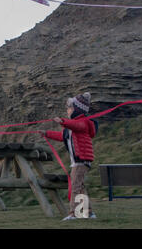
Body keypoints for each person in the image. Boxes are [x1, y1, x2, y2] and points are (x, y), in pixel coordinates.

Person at [39, 92, 98, 221]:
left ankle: (74, 213)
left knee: (76, 187)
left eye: (69, 107)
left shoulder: (83, 123)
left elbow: (76, 125)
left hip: (81, 161)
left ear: (77, 110)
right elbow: (61, 136)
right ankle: (89, 212)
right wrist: (46, 133)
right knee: (80, 187)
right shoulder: (71, 127)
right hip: (78, 161)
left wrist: (62, 121)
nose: (67, 110)